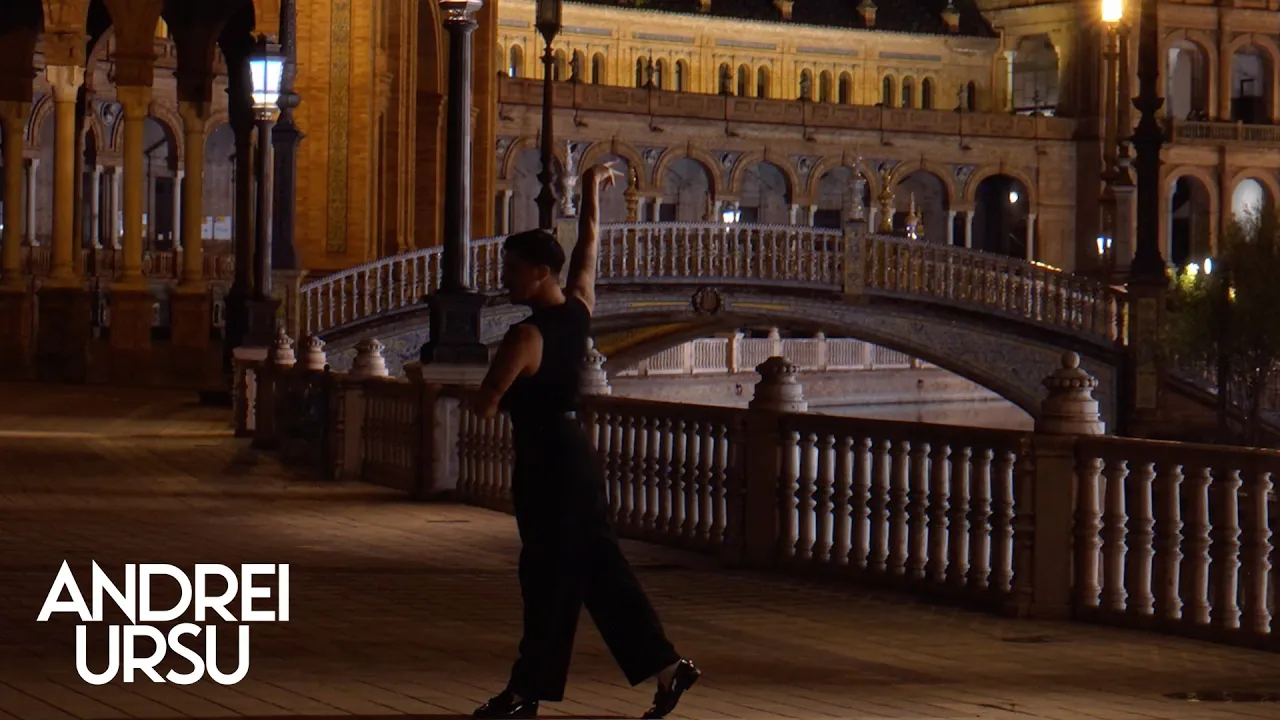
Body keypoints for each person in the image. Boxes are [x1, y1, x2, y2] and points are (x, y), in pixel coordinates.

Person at [469, 163, 700, 720]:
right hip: (576, 456)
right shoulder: (579, 311)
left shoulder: (524, 336)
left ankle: (526, 693)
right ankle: (665, 667)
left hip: (544, 461)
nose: (505, 278)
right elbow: (589, 247)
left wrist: (492, 390)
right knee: (598, 570)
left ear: (540, 272)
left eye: (512, 270)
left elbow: (487, 401)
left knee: (547, 577)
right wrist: (592, 192)